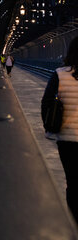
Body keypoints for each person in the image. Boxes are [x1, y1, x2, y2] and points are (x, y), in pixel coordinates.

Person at [42, 36, 78, 221]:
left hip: (67, 139)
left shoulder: (59, 74)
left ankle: (73, 222)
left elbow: (47, 102)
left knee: (72, 183)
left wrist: (49, 127)